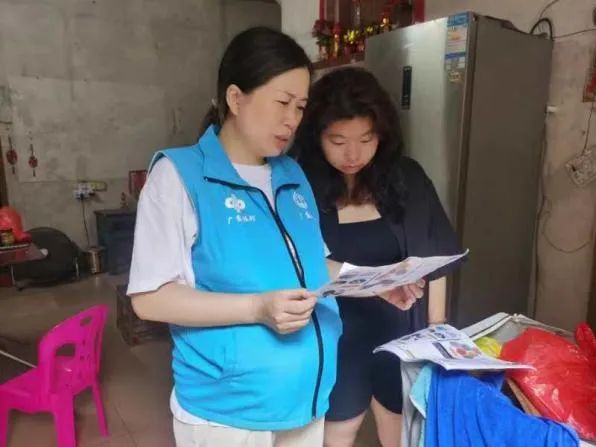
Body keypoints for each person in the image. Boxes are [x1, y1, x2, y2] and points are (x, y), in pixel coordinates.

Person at [127, 27, 342, 447]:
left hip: (306, 399)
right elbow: (150, 298)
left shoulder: (292, 175)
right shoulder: (179, 176)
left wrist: (377, 282)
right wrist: (257, 308)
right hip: (228, 413)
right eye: (282, 102)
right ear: (235, 98)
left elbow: (313, 265)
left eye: (300, 107)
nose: (292, 120)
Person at [292, 67, 463, 447]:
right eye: (338, 141)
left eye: (366, 139)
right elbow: (296, 263)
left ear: (381, 135)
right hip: (334, 334)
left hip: (399, 330)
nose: (353, 155)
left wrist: (435, 331)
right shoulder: (299, 184)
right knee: (337, 432)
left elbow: (437, 255)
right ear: (316, 136)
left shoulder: (406, 178)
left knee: (401, 431)